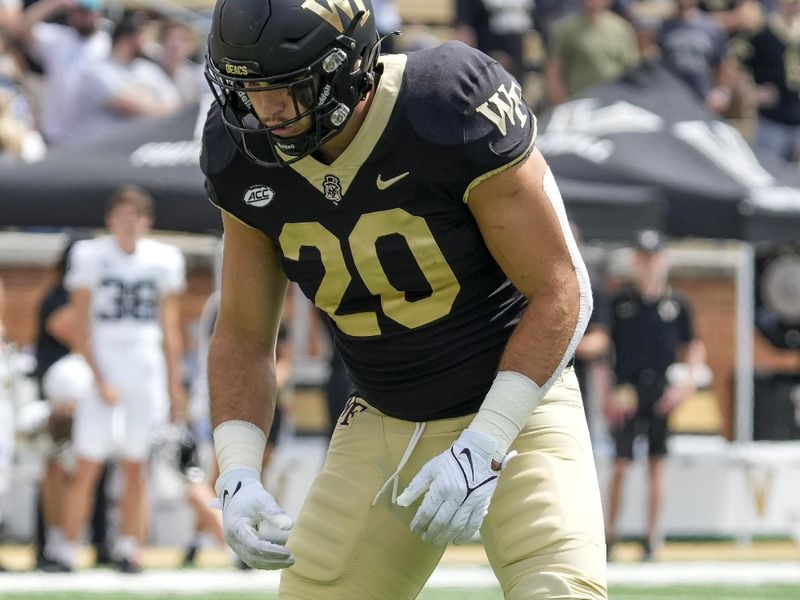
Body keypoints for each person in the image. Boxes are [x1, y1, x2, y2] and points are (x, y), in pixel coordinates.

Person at [200, 1, 606, 598]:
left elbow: (561, 287)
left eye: (287, 87)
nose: (267, 110)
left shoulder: (444, 103)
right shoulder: (241, 153)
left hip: (516, 413)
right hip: (384, 421)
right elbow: (242, 333)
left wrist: (486, 443)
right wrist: (235, 473)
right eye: (250, 88)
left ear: (348, 67)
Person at [60, 184, 186, 572]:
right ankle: (66, 549)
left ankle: (131, 547)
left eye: (136, 216)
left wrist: (175, 384)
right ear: (110, 220)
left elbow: (170, 328)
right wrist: (98, 377)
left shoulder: (164, 259)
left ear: (147, 221)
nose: (129, 224)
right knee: (87, 464)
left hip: (145, 367)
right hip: (104, 363)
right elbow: (78, 325)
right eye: (122, 216)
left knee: (136, 465)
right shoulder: (90, 256)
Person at [601, 229, 706, 561]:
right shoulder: (620, 302)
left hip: (661, 389)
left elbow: (694, 347)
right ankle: (610, 535)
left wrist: (686, 384)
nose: (648, 265)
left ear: (663, 261)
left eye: (653, 258)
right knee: (620, 463)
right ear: (635, 262)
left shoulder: (677, 303)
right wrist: (606, 393)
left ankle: (651, 537)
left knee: (657, 463)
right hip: (626, 390)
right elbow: (604, 351)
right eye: (642, 259)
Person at [14, 0, 111, 145]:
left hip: (91, 138)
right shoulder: (58, 38)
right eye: (77, 12)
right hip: (54, 136)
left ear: (98, 14)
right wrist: (54, 3)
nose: (82, 17)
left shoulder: (107, 43)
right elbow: (21, 28)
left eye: (86, 12)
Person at [545, 0, 640, 105]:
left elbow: (632, 69)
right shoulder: (566, 29)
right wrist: (562, 105)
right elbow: (554, 71)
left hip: (614, 102)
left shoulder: (621, 27)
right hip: (579, 102)